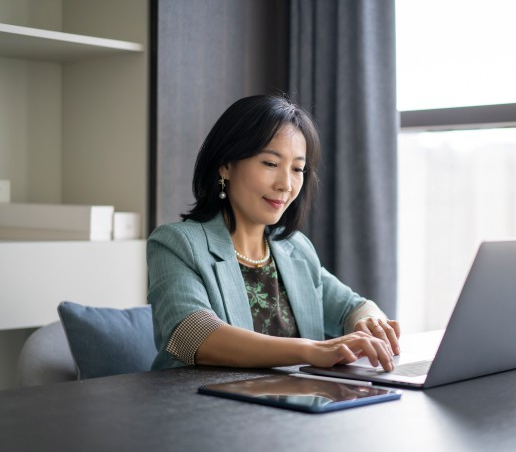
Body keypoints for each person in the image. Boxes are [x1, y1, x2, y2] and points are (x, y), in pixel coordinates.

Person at [147, 94, 400, 372]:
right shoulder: (175, 244)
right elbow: (192, 336)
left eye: (297, 169)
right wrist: (311, 350)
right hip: (202, 406)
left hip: (293, 408)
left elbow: (353, 306)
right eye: (270, 163)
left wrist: (368, 321)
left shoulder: (295, 247)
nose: (285, 184)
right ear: (226, 165)